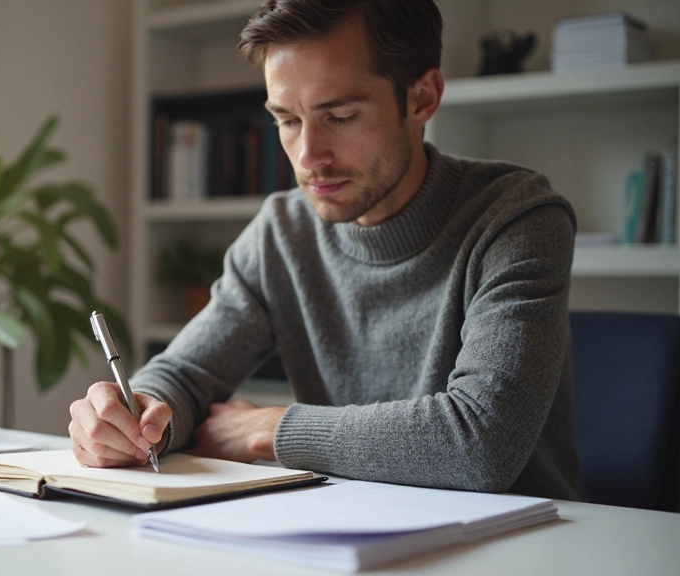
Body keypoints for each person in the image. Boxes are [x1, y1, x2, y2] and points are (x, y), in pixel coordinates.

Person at [68, 0, 584, 500]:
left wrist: (269, 428)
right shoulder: (281, 232)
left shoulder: (518, 218)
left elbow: (482, 443)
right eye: (287, 120)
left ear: (422, 98)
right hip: (349, 532)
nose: (308, 157)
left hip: (523, 540)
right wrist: (136, 414)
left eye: (339, 116)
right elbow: (184, 374)